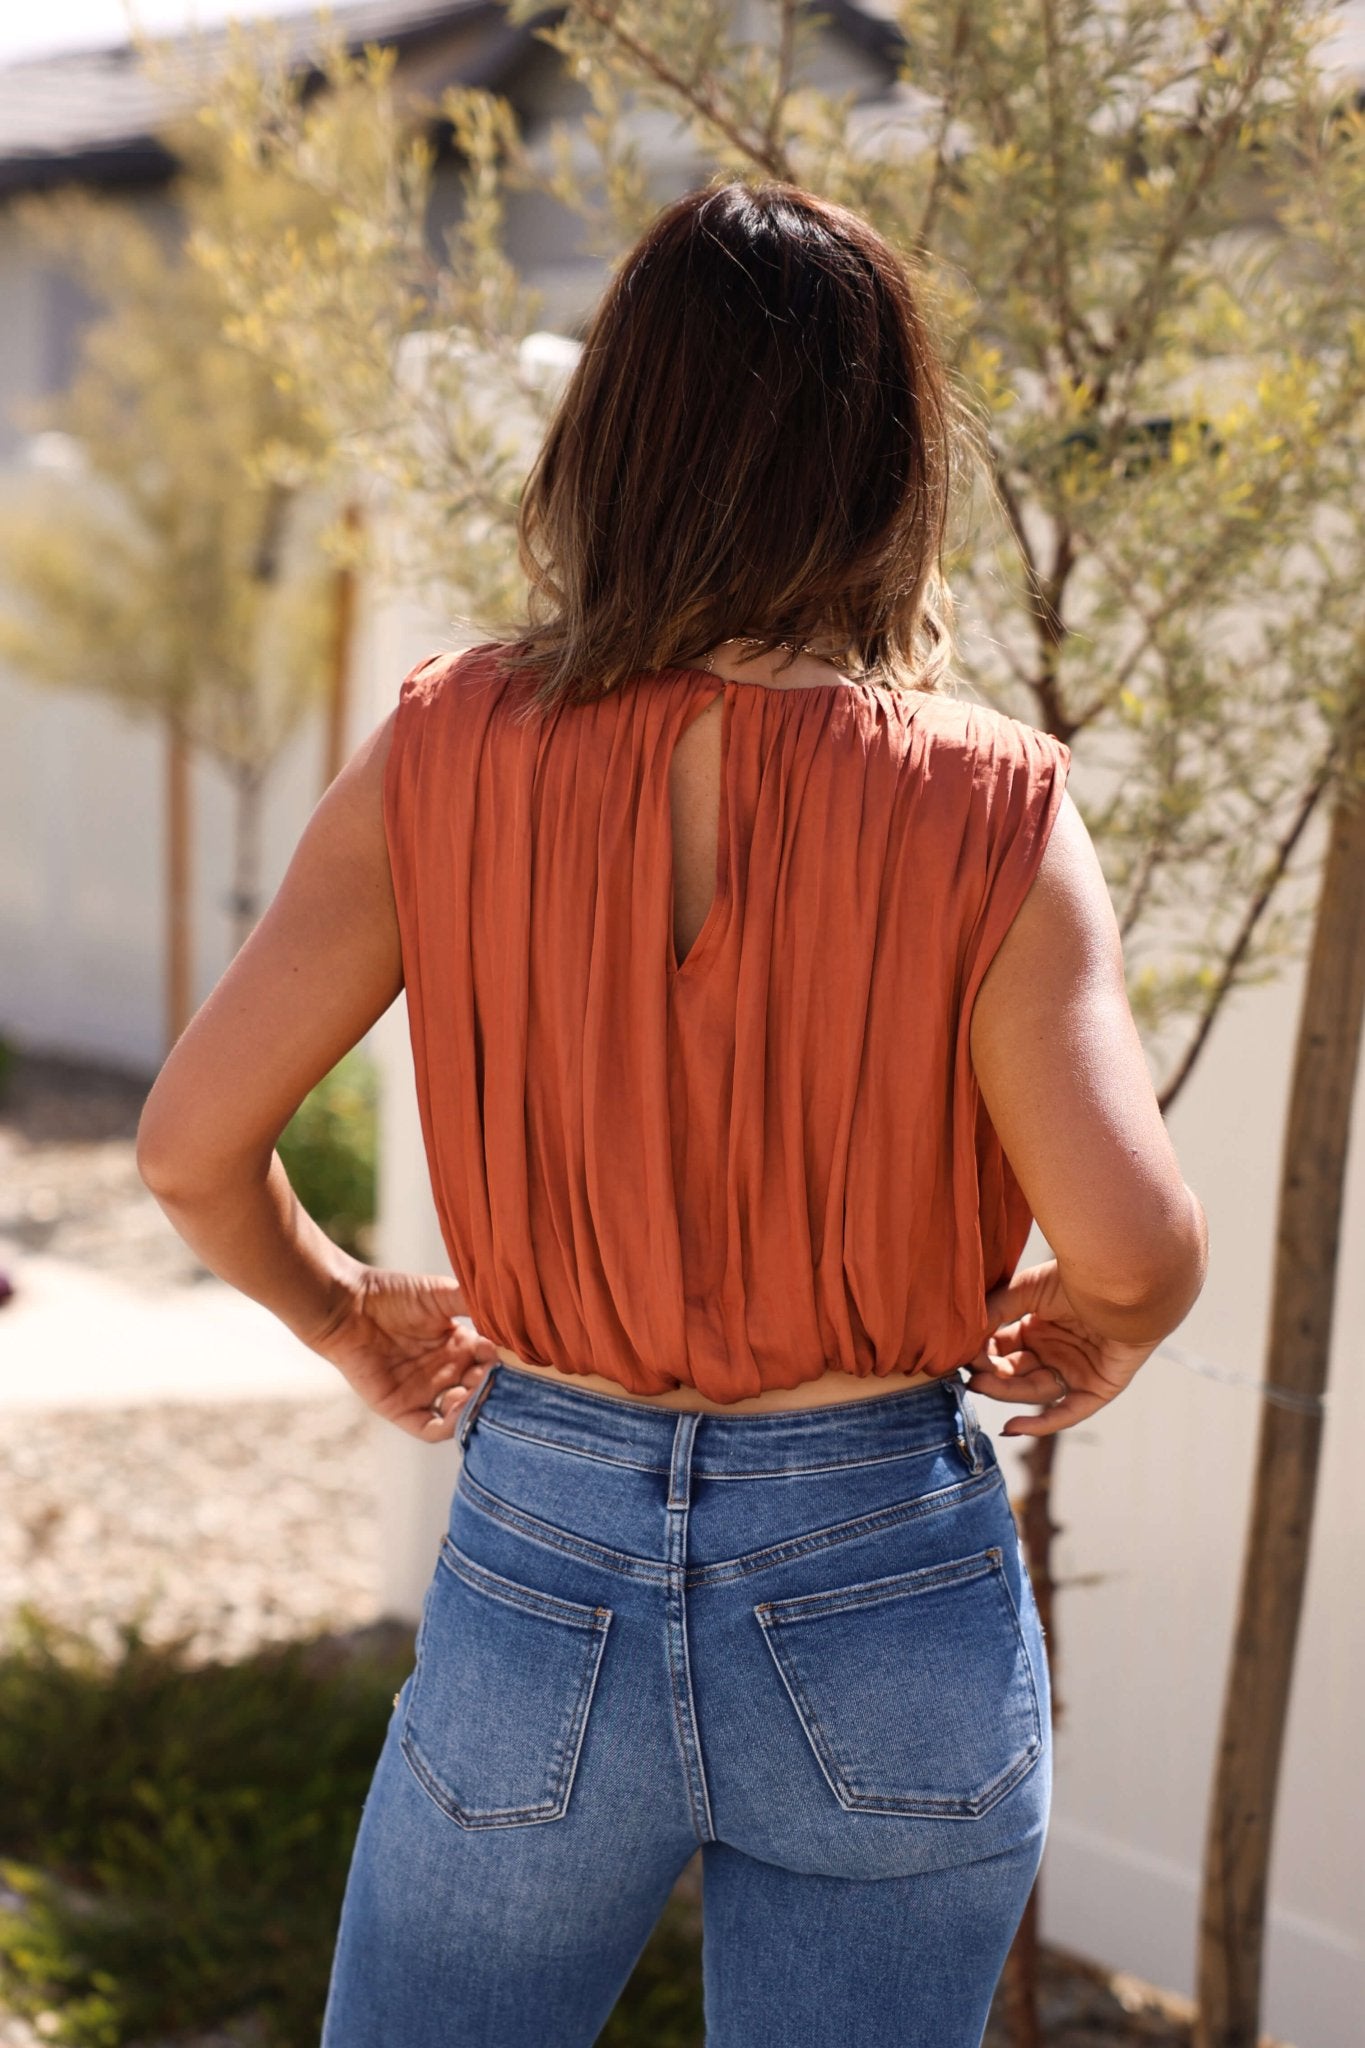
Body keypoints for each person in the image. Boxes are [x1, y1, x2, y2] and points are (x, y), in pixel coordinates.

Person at [137, 178, 1208, 2048]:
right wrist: (1105, 1319)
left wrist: (342, 1309)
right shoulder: (990, 807)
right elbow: (1132, 1246)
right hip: (884, 1560)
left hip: (543, 1547)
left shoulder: (444, 746)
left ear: (610, 443)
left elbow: (186, 1150)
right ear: (888, 467)